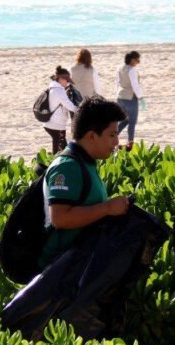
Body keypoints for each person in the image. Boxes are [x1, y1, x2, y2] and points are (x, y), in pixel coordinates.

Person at [40, 96, 131, 267]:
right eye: (112, 135)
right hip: (58, 272)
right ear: (91, 136)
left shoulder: (85, 162)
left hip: (77, 264)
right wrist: (108, 208)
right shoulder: (68, 167)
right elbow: (60, 218)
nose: (117, 142)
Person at [43, 66, 79, 154]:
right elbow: (69, 105)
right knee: (60, 150)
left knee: (60, 147)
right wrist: (80, 110)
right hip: (56, 125)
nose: (67, 83)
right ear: (61, 79)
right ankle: (55, 164)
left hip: (51, 123)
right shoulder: (59, 91)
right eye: (67, 80)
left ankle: (54, 162)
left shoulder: (52, 88)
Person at [115, 51, 143, 151]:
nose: (138, 62)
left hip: (120, 96)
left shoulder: (119, 68)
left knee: (124, 120)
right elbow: (135, 85)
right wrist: (140, 97)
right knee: (132, 122)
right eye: (137, 60)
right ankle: (130, 142)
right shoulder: (132, 70)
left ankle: (113, 135)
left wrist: (117, 94)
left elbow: (117, 82)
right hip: (130, 97)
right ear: (132, 60)